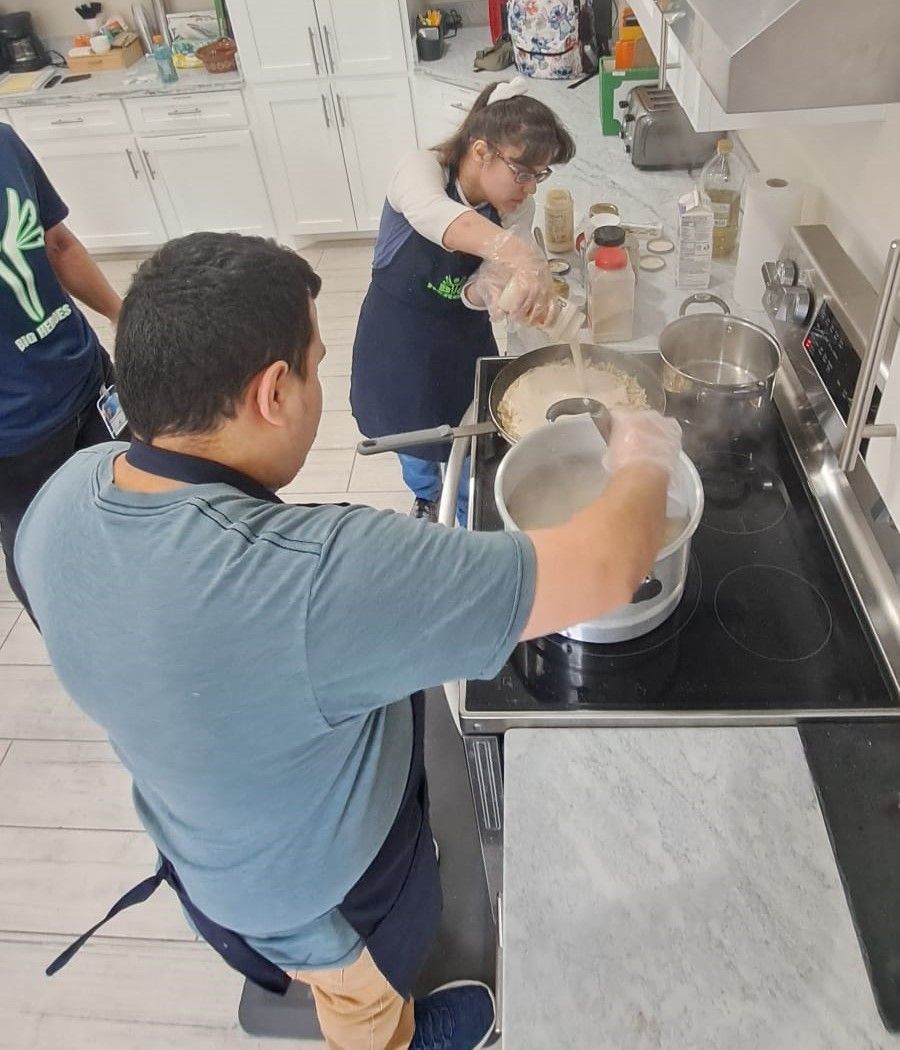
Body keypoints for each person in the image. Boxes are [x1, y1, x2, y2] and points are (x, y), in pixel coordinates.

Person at [16, 232, 681, 1050]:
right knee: (362, 1004)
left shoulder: (61, 498)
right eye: (316, 367)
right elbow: (607, 567)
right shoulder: (321, 578)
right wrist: (645, 453)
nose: (320, 385)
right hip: (328, 901)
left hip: (204, 849)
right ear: (273, 392)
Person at [351, 78, 574, 525]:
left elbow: (475, 284)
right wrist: (522, 255)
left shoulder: (513, 207)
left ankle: (468, 509)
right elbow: (441, 218)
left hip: (461, 336)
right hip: (397, 335)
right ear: (481, 151)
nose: (530, 187)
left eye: (540, 174)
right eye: (523, 172)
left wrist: (488, 291)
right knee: (411, 437)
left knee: (471, 436)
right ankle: (426, 497)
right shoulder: (421, 170)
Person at [0, 122, 125, 615]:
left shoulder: (4, 142)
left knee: (130, 500)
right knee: (41, 551)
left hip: (87, 375)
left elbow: (58, 245)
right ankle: (78, 640)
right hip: (16, 434)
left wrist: (122, 317)